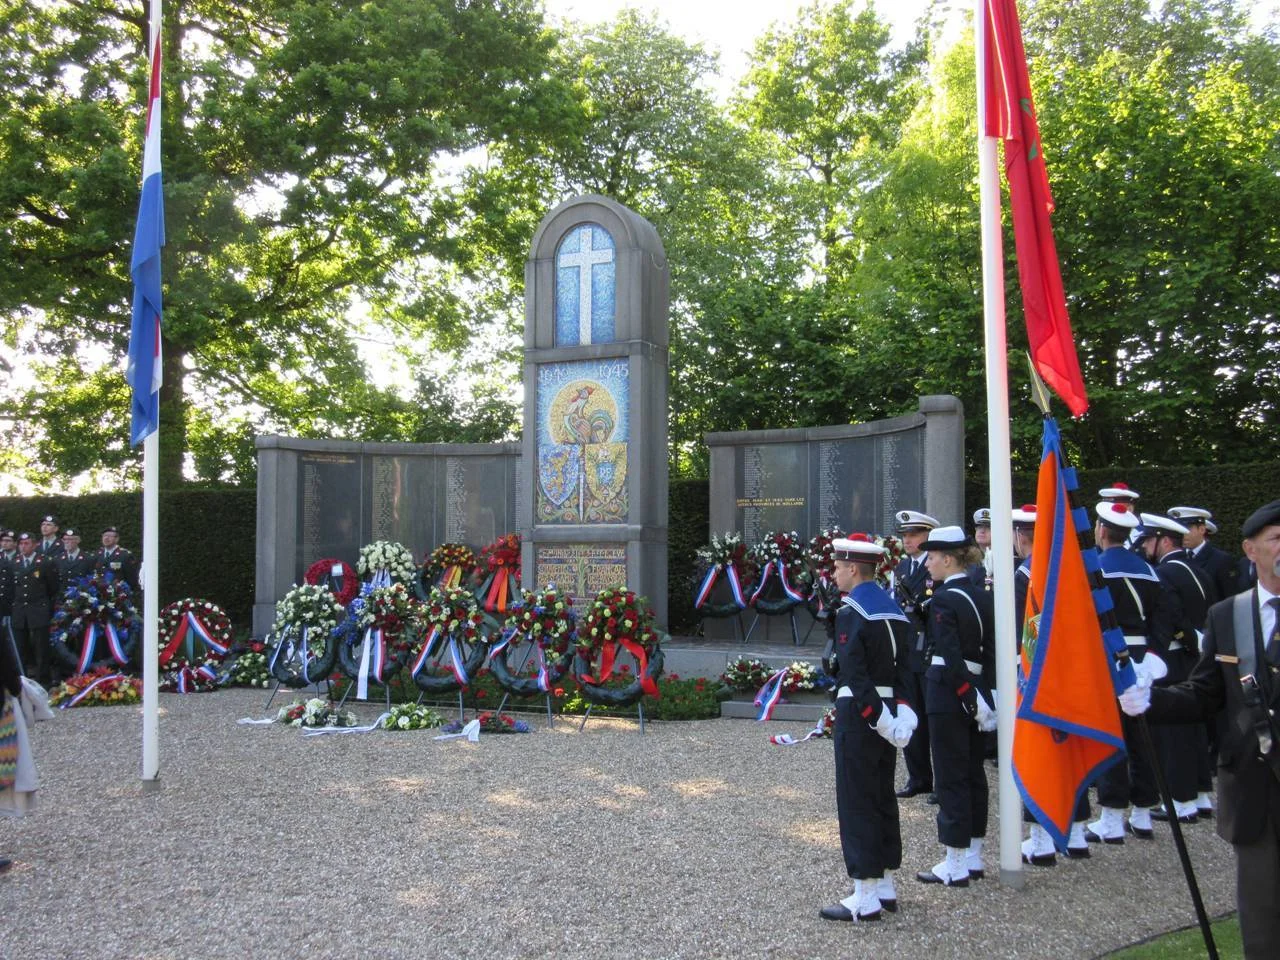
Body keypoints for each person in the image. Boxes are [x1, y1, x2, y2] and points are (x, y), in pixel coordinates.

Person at [1120, 499, 1280, 959]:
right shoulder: (1229, 614)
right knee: (1263, 922)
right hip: (1255, 788)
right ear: (1251, 550)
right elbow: (1206, 694)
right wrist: (1151, 701)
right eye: (1275, 540)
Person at [819, 535, 916, 923]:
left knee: (857, 799)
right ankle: (886, 881)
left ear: (854, 569)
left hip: (862, 716)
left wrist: (877, 717)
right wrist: (901, 713)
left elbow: (854, 675)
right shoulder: (893, 609)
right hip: (888, 710)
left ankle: (864, 893)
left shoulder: (852, 612)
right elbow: (905, 669)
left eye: (839, 567)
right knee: (880, 796)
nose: (835, 573)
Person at [1084, 500, 1173, 845]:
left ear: (1102, 531)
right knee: (1142, 737)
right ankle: (1142, 813)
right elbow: (1166, 617)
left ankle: (1111, 816)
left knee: (1110, 736)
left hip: (1109, 657)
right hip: (1142, 658)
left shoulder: (1096, 571)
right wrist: (1151, 655)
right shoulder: (1150, 570)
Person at [914, 525, 995, 887]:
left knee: (950, 775)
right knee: (973, 773)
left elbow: (948, 652)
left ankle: (955, 860)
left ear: (948, 560)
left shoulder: (945, 599)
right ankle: (973, 854)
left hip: (950, 692)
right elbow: (989, 653)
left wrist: (966, 696)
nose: (928, 564)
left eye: (932, 558)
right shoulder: (982, 596)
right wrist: (984, 697)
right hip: (976, 689)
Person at [1141, 511, 1216, 823]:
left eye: (1149, 540)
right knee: (1194, 725)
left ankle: (1181, 799)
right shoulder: (1197, 570)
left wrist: (1185, 642)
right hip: (1195, 656)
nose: (1145, 546)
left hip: (1175, 656)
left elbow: (1170, 617)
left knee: (1174, 732)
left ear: (1164, 541)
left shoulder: (1165, 573)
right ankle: (1200, 794)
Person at [892, 509, 939, 801]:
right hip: (907, 651)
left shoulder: (934, 567)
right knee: (910, 715)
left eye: (914, 535)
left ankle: (941, 781)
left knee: (935, 720)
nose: (908, 540)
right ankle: (918, 777)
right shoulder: (900, 569)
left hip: (929, 650)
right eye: (905, 535)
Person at [9, 534, 57, 688]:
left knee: (41, 648)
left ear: (35, 545)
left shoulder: (44, 562)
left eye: (27, 543)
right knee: (20, 647)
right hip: (20, 610)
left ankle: (43, 680)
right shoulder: (15, 562)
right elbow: (12, 588)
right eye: (21, 544)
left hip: (38, 609)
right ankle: (22, 680)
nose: (23, 546)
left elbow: (53, 588)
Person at [1171, 506, 1238, 602]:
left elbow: (1231, 598)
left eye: (1187, 528)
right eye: (1179, 529)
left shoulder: (1221, 560)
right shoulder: (1177, 558)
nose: (1182, 534)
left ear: (1202, 529)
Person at [94, 526, 140, 594]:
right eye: (104, 535)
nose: (106, 538)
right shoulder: (97, 554)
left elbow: (132, 579)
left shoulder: (125, 555)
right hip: (100, 596)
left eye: (110, 536)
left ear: (117, 539)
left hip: (119, 596)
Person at [55, 528, 94, 593]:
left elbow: (91, 580)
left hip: (80, 598)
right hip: (61, 597)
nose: (67, 542)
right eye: (65, 539)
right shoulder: (58, 559)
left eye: (70, 539)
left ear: (78, 540)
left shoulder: (88, 558)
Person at [969, 508, 993, 588]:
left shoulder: (1004, 560)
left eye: (988, 527)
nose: (982, 531)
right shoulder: (970, 559)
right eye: (979, 526)